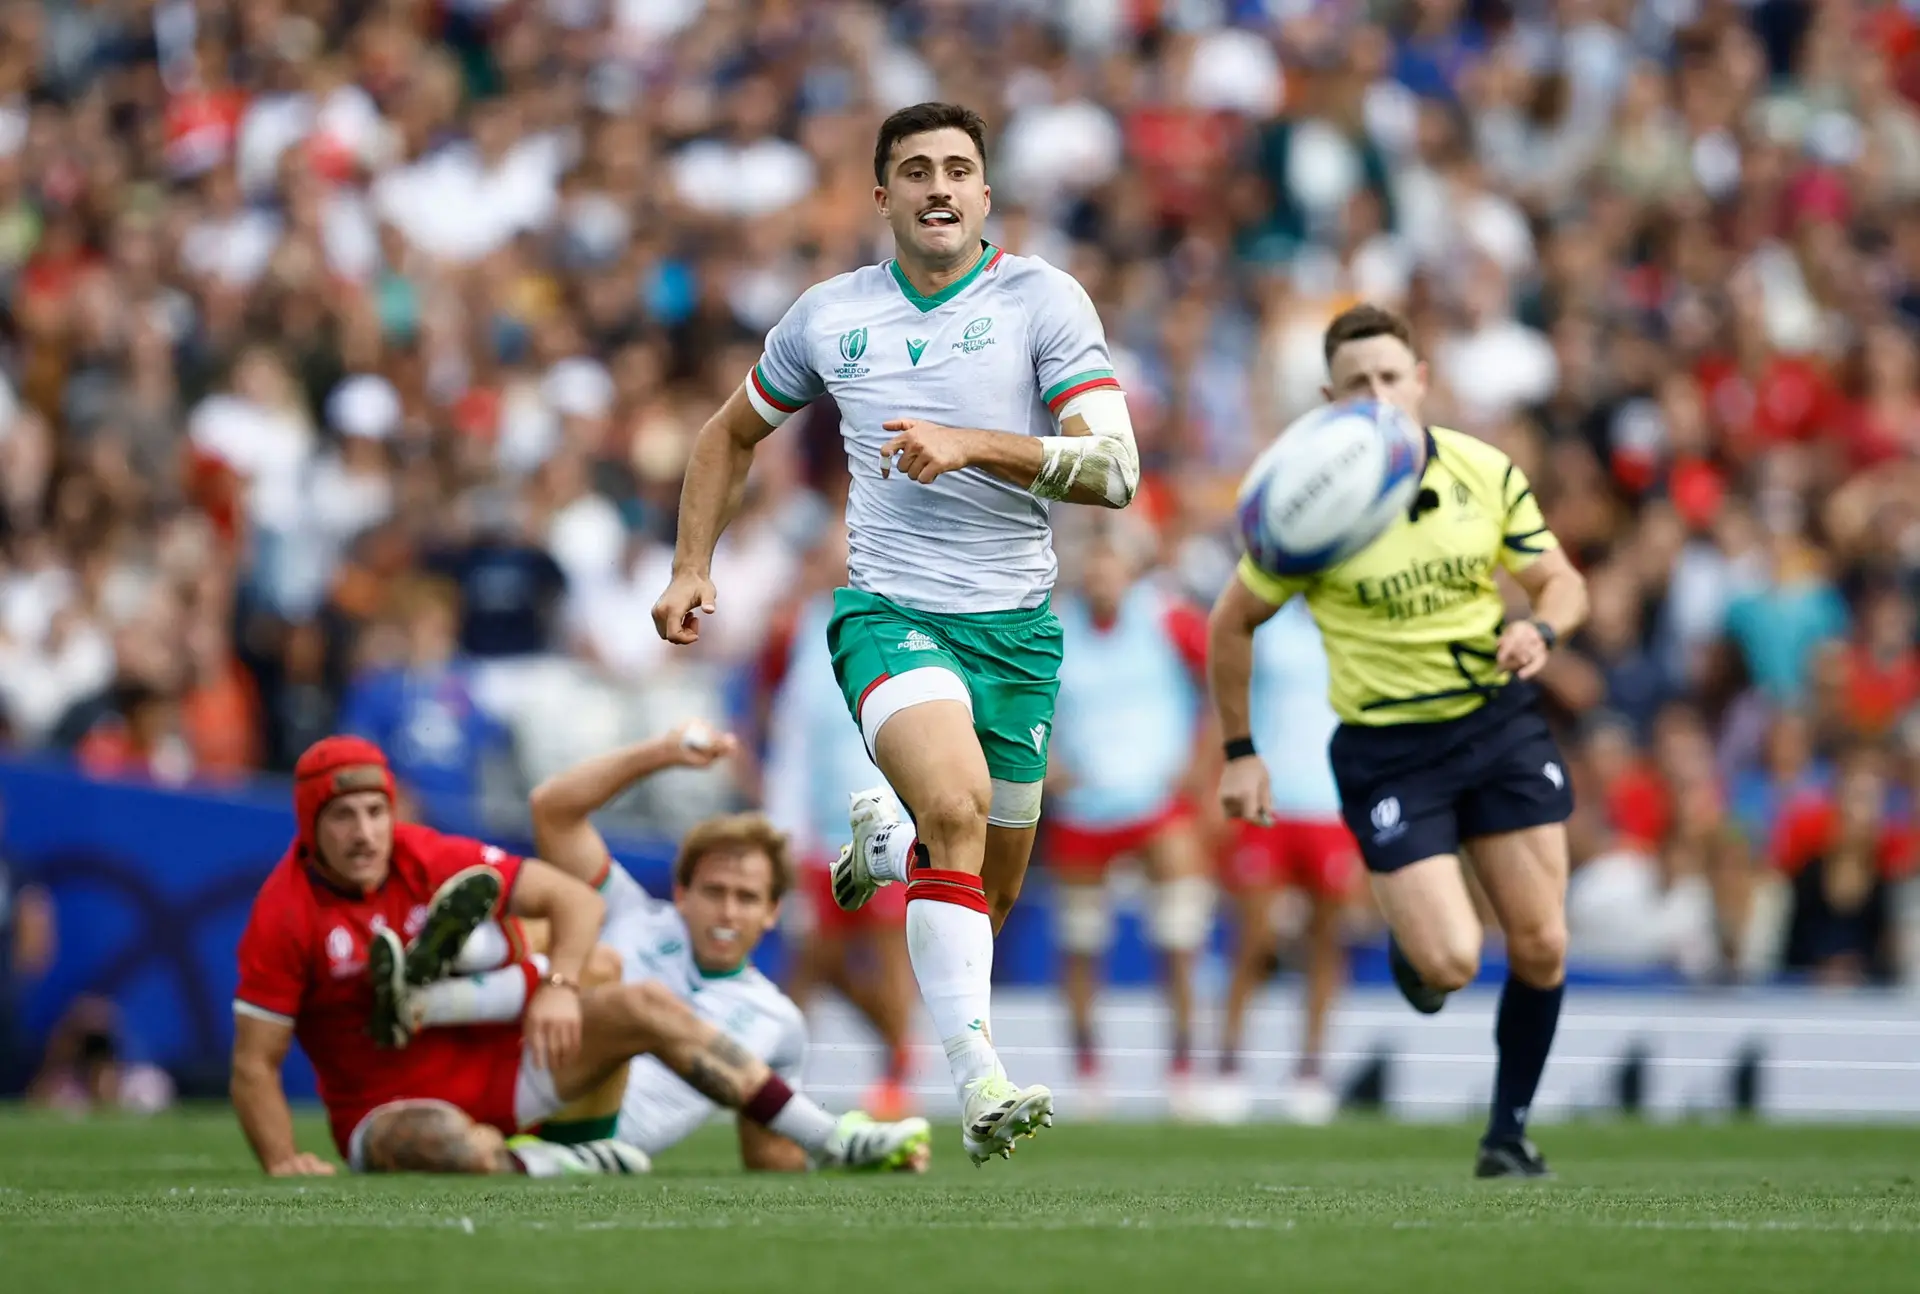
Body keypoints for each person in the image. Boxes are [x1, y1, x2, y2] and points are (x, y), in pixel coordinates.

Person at [652, 102, 1141, 1162]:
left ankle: (888, 843)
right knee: (959, 811)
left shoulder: (1041, 300)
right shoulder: (831, 316)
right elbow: (727, 434)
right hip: (890, 611)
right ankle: (979, 1085)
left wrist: (974, 444)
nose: (937, 186)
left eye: (958, 168)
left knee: (992, 889)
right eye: (914, 169)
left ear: (985, 193)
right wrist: (694, 563)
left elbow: (1117, 470)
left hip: (1016, 631)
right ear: (883, 196)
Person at [1208, 304, 1589, 1178]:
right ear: (1328, 398)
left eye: (1391, 377)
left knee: (1541, 943)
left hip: (1496, 723)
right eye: (1357, 384)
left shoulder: (1482, 470)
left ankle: (1508, 1134)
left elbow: (1560, 581)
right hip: (1389, 750)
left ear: (1422, 378)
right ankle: (1418, 944)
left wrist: (1545, 631)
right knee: (1451, 960)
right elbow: (1233, 625)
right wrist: (1240, 752)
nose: (1378, 395)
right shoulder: (1312, 500)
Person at [230, 735, 921, 1176]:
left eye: (747, 898)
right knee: (593, 962)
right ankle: (450, 985)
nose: (729, 911)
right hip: (488, 1077)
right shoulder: (639, 915)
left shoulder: (778, 1021)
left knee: (608, 976)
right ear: (680, 892)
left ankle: (437, 985)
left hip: (561, 1093)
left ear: (774, 913)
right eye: (715, 891)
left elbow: (768, 1156)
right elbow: (554, 815)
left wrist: (833, 1158)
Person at [1044, 519, 1212, 1115]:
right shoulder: (1056, 627)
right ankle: (1088, 1071)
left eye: (1110, 566)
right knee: (1082, 942)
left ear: (1131, 571)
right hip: (1086, 808)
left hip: (1156, 803)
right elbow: (1016, 701)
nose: (1100, 578)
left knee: (1180, 936)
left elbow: (1223, 676)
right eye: (1092, 567)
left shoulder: (1167, 618)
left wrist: (1202, 759)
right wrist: (1047, 764)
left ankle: (1185, 1067)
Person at [763, 526, 916, 1120]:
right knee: (813, 956)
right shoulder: (799, 635)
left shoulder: (899, 629)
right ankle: (778, 1072)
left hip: (887, 818)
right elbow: (790, 735)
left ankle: (895, 1073)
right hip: (818, 823)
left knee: (886, 952)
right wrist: (784, 822)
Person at [1215, 598, 1356, 1126]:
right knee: (1252, 940)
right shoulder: (1264, 620)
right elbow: (1230, 698)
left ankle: (1311, 1069)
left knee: (1325, 944)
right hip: (1268, 801)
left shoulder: (1357, 620)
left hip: (1331, 804)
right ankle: (1228, 1064)